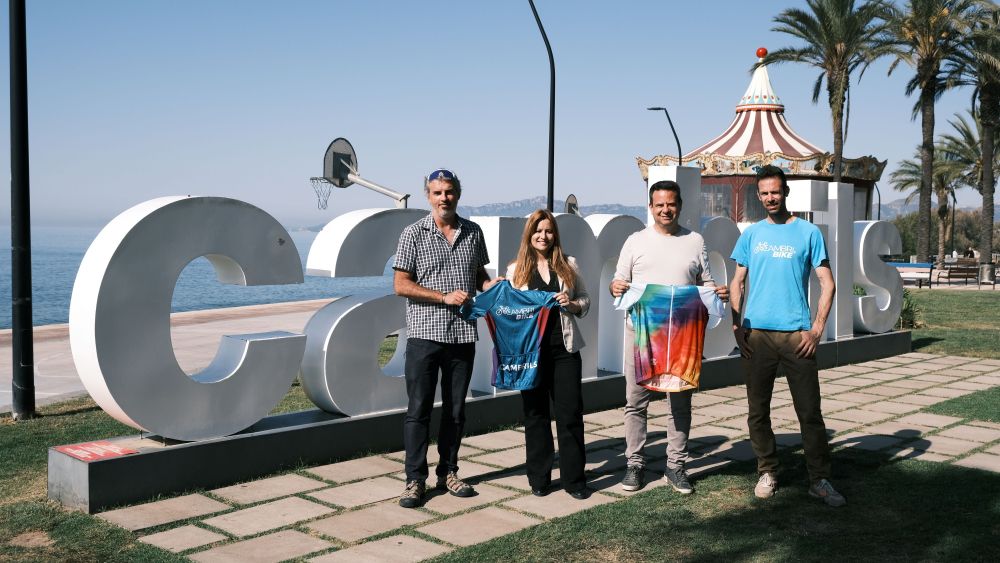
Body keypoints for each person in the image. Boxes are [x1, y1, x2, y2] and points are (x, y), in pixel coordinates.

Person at [729, 165, 845, 507]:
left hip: (797, 336)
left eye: (775, 192)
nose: (770, 198)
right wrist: (737, 325)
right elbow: (737, 282)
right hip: (757, 336)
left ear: (786, 192)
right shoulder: (751, 235)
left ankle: (819, 480)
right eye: (764, 193)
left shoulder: (808, 233)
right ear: (758, 195)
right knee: (757, 410)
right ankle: (767, 471)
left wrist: (817, 329)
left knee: (809, 412)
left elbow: (828, 283)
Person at [609, 180, 728, 494]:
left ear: (680, 206)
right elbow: (618, 282)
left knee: (680, 403)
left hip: (682, 336)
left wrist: (717, 293)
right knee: (636, 402)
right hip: (641, 334)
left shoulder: (695, 241)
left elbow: (706, 283)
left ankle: (676, 466)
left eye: (671, 204)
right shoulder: (635, 241)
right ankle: (635, 464)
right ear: (650, 207)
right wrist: (615, 287)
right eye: (659, 204)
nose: (665, 210)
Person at [392, 168, 501, 508]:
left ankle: (448, 472)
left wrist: (491, 286)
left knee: (455, 411)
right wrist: (443, 297)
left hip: (462, 335)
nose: (444, 198)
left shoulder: (473, 232)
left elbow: (478, 276)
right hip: (424, 336)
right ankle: (414, 480)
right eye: (437, 192)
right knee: (418, 410)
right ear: (428, 196)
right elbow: (401, 285)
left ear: (458, 194)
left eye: (449, 191)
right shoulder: (413, 234)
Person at [504, 209, 591, 499]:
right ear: (529, 235)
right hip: (531, 353)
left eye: (549, 231)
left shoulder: (569, 264)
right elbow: (509, 312)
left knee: (570, 414)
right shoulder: (515, 270)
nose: (543, 236)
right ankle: (539, 478)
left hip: (565, 349)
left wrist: (572, 304)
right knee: (535, 415)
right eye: (538, 231)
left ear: (555, 234)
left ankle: (574, 481)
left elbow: (585, 299)